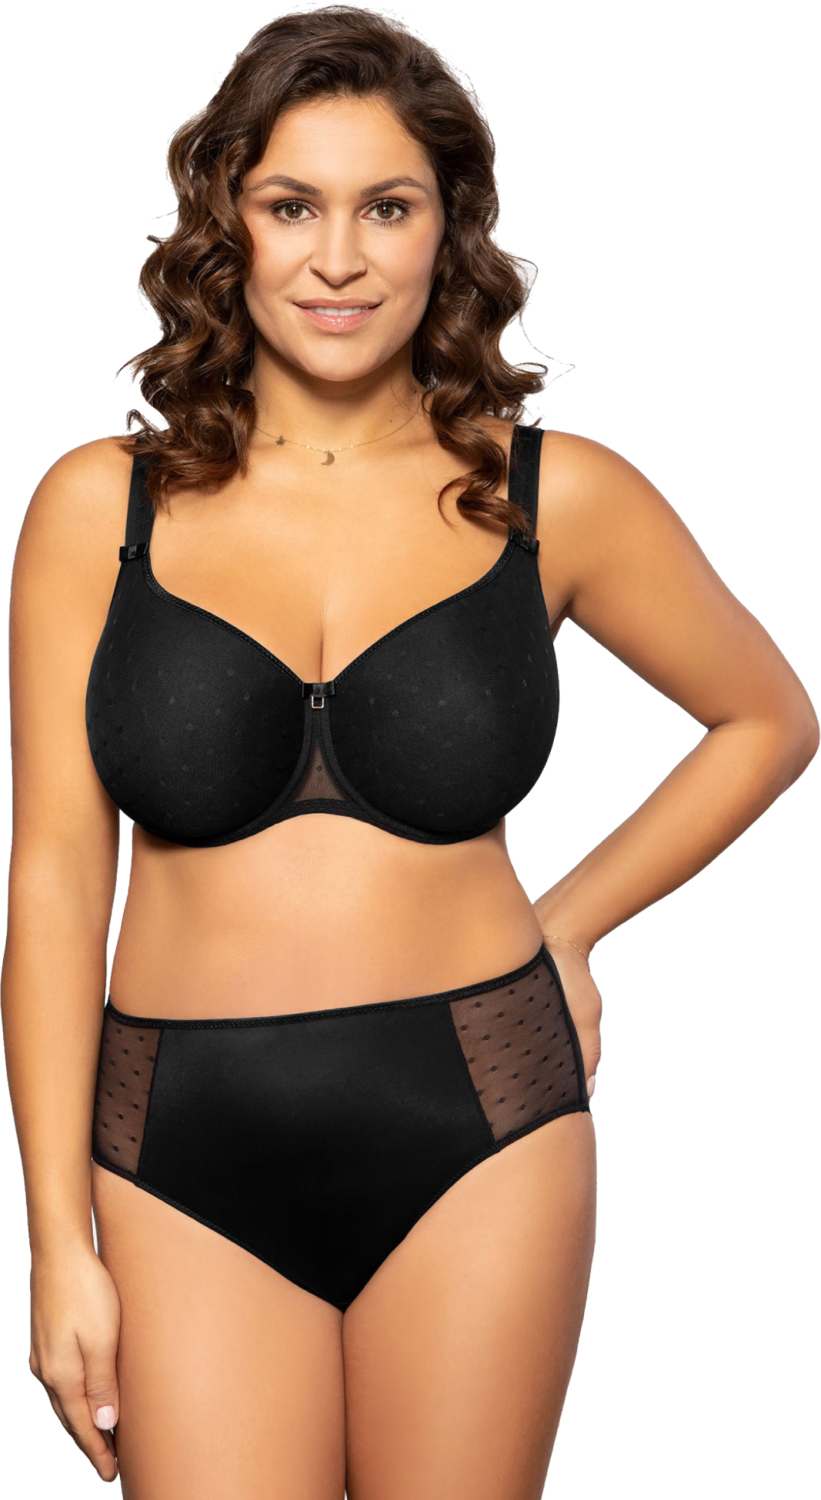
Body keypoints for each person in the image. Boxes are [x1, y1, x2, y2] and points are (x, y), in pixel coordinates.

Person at [3, 7, 817, 1497]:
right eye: (290, 206)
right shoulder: (94, 509)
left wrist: (567, 925)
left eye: (386, 207)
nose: (338, 258)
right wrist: (56, 1238)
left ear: (451, 229)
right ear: (227, 225)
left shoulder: (552, 495)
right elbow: (56, 876)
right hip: (177, 1146)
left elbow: (767, 719)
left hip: (479, 1121)